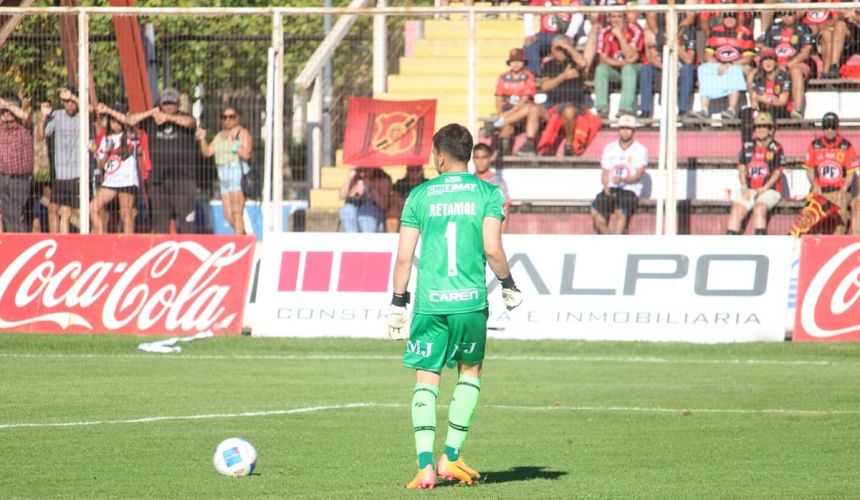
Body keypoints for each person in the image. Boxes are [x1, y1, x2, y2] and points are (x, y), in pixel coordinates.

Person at [385, 123, 523, 489]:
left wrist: (398, 303)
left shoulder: (419, 196)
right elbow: (493, 249)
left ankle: (425, 465)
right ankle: (452, 455)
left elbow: (403, 259)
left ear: (440, 156)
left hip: (429, 304)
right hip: (469, 303)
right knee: (469, 374)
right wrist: (508, 285)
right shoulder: (488, 193)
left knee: (426, 381)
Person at [127, 87, 198, 233]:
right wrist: (151, 112)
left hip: (183, 179)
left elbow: (191, 123)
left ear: (178, 104)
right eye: (165, 103)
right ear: (160, 105)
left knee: (187, 223)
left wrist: (168, 118)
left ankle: (186, 253)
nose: (169, 106)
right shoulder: (152, 121)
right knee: (160, 224)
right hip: (158, 180)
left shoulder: (184, 118)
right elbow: (130, 120)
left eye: (172, 103)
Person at [520, 35, 587, 156]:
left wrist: (568, 46)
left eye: (563, 49)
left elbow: (583, 63)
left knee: (568, 110)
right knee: (534, 108)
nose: (561, 51)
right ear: (552, 49)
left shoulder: (573, 62)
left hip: (573, 104)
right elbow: (545, 86)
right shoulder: (548, 65)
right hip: (552, 105)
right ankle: (529, 143)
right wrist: (564, 76)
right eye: (558, 48)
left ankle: (568, 145)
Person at [196, 106, 252, 235]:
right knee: (228, 215)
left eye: (231, 117)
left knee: (237, 213)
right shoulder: (219, 135)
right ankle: (243, 236)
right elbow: (208, 152)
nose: (228, 120)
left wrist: (235, 146)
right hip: (222, 174)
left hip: (235, 171)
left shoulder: (241, 133)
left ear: (237, 118)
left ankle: (239, 241)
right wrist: (203, 139)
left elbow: (247, 154)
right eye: (224, 117)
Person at [726, 112, 785, 235]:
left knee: (759, 208)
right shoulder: (747, 146)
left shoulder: (776, 148)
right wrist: (744, 188)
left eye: (764, 126)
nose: (760, 129)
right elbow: (741, 169)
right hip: (750, 188)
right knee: (736, 210)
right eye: (758, 126)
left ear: (770, 129)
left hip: (770, 189)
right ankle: (728, 249)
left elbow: (777, 173)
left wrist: (764, 188)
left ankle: (761, 247)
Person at [38, 87, 86, 234]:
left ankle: (70, 244)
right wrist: (43, 117)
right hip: (60, 175)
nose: (69, 105)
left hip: (77, 175)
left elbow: (90, 109)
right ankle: (57, 242)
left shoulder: (82, 116)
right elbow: (41, 136)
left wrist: (72, 96)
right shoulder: (57, 116)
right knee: (53, 209)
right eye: (66, 102)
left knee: (69, 213)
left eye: (72, 102)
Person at [590, 114, 647, 234]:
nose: (625, 132)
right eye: (622, 128)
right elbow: (605, 171)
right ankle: (610, 240)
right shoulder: (610, 148)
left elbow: (638, 175)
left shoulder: (640, 150)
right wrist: (606, 188)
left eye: (628, 129)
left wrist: (623, 180)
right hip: (612, 187)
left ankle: (617, 241)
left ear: (633, 131)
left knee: (621, 212)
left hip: (630, 189)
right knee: (595, 211)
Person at [803, 112, 858, 235]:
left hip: (839, 190)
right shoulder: (815, 146)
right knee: (810, 209)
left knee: (841, 205)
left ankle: (836, 241)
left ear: (837, 128)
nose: (829, 130)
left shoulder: (846, 146)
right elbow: (810, 169)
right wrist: (814, 184)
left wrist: (844, 189)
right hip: (820, 190)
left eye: (832, 127)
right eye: (826, 127)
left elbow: (851, 173)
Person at [90, 105, 142, 234]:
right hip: (111, 181)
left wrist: (108, 110)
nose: (116, 124)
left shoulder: (130, 134)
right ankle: (101, 237)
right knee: (93, 208)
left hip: (127, 180)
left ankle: (128, 246)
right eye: (113, 121)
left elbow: (128, 121)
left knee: (126, 214)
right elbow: (102, 165)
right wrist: (107, 154)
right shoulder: (106, 138)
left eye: (118, 121)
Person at [695, 11, 754, 120]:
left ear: (737, 19)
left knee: (735, 70)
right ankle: (704, 109)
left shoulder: (746, 32)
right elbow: (708, 55)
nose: (729, 19)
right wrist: (719, 65)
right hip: (718, 64)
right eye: (727, 17)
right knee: (703, 68)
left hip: (738, 64)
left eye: (732, 17)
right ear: (723, 19)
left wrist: (729, 65)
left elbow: (748, 58)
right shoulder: (715, 31)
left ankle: (731, 110)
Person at [762, 8, 813, 119]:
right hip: (774, 63)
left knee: (796, 72)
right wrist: (774, 64)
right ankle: (757, 109)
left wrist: (788, 65)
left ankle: (797, 109)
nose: (786, 16)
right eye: (783, 13)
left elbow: (805, 53)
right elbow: (765, 50)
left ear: (796, 14)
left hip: (797, 63)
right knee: (754, 73)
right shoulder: (772, 28)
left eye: (790, 13)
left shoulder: (805, 29)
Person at [485, 48, 536, 155]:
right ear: (510, 63)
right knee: (507, 128)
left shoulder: (529, 77)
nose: (516, 64)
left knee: (529, 107)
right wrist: (500, 113)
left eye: (519, 61)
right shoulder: (503, 77)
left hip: (522, 113)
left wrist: (505, 116)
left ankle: (497, 124)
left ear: (524, 62)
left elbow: (524, 100)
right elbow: (498, 98)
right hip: (507, 112)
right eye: (513, 61)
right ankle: (503, 157)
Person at [594, 11, 643, 119]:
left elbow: (633, 56)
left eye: (619, 16)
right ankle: (602, 109)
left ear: (625, 18)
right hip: (616, 68)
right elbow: (603, 59)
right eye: (613, 17)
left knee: (628, 69)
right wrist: (621, 63)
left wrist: (620, 37)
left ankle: (625, 109)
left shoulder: (635, 30)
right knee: (601, 69)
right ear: (609, 19)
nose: (616, 20)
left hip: (636, 69)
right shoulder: (605, 32)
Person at [522, 0, 585, 76]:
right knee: (530, 44)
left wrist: (570, 35)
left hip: (562, 36)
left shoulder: (571, 1)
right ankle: (532, 75)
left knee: (560, 43)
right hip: (544, 36)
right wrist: (530, 33)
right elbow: (529, 11)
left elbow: (578, 15)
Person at [0, 95, 34, 233]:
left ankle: (21, 243)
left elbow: (26, 116)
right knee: (7, 215)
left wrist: (7, 105)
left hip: (20, 179)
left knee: (17, 214)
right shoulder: (2, 128)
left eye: (10, 111)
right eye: (3, 112)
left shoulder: (24, 127)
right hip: (2, 177)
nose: (6, 115)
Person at [338, 167, 391, 232]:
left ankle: (367, 241)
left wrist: (369, 186)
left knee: (366, 215)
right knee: (346, 210)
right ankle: (352, 239)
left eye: (365, 170)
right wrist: (349, 179)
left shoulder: (382, 178)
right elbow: (342, 196)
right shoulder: (357, 176)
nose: (362, 173)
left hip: (371, 212)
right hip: (355, 208)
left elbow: (384, 205)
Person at [472, 143, 511, 227]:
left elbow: (504, 211)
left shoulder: (499, 183)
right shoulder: (468, 182)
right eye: (477, 157)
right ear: (473, 159)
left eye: (484, 157)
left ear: (490, 158)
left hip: (492, 232)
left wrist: (501, 235)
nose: (480, 161)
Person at [748, 49, 791, 119]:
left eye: (771, 59)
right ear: (761, 63)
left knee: (771, 112)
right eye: (765, 59)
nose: (768, 62)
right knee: (746, 113)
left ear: (775, 62)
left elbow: (783, 101)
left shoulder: (783, 76)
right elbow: (754, 98)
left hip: (780, 110)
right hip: (763, 109)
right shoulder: (758, 77)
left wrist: (768, 100)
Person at [388, 165, 428, 233]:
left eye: (417, 170)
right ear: (408, 171)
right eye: (412, 170)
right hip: (404, 210)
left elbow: (428, 201)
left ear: (421, 171)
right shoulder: (401, 183)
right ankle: (392, 237)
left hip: (421, 210)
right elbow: (393, 197)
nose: (415, 173)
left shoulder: (426, 183)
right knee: (393, 211)